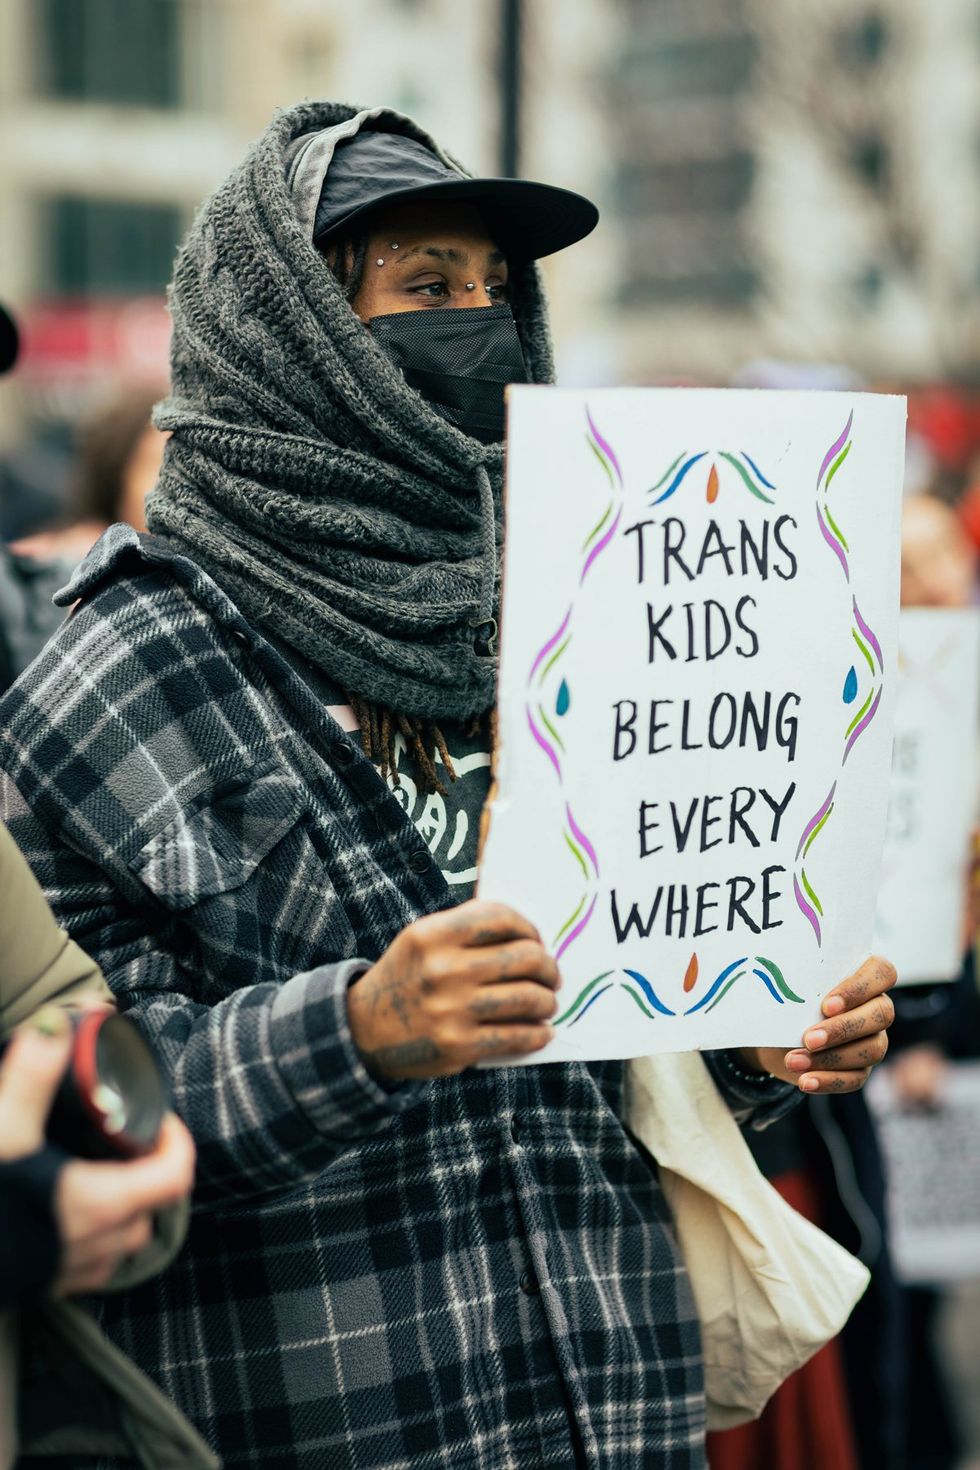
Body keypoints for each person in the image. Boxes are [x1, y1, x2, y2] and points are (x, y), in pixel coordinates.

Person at [0, 103, 896, 1469]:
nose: (476, 324)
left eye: (494, 292)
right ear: (286, 324)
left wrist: (757, 1037)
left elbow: (619, 1045)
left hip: (614, 1406)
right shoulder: (126, 666)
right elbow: (73, 1105)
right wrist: (358, 1028)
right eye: (425, 286)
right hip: (342, 1415)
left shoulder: (562, 616)